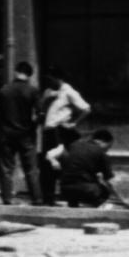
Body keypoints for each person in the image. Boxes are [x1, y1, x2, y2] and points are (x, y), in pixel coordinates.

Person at [39, 70, 91, 205]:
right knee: (47, 165)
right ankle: (48, 198)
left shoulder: (69, 92)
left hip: (59, 131)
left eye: (51, 79)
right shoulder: (50, 92)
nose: (49, 82)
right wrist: (45, 99)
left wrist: (74, 123)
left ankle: (70, 196)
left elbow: (86, 108)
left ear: (59, 78)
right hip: (48, 131)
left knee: (60, 162)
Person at [46, 128, 129, 209]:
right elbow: (109, 181)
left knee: (78, 179)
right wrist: (122, 200)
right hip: (87, 191)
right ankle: (98, 204)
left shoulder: (73, 145)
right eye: (108, 147)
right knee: (104, 191)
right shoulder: (100, 152)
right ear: (102, 142)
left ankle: (73, 204)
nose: (107, 150)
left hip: (64, 191)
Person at [0, 59, 41, 205]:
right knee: (31, 169)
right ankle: (37, 199)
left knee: (6, 169)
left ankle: (7, 199)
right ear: (29, 75)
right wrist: (33, 126)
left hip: (7, 134)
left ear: (16, 72)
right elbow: (40, 114)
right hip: (26, 135)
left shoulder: (4, 90)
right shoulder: (33, 91)